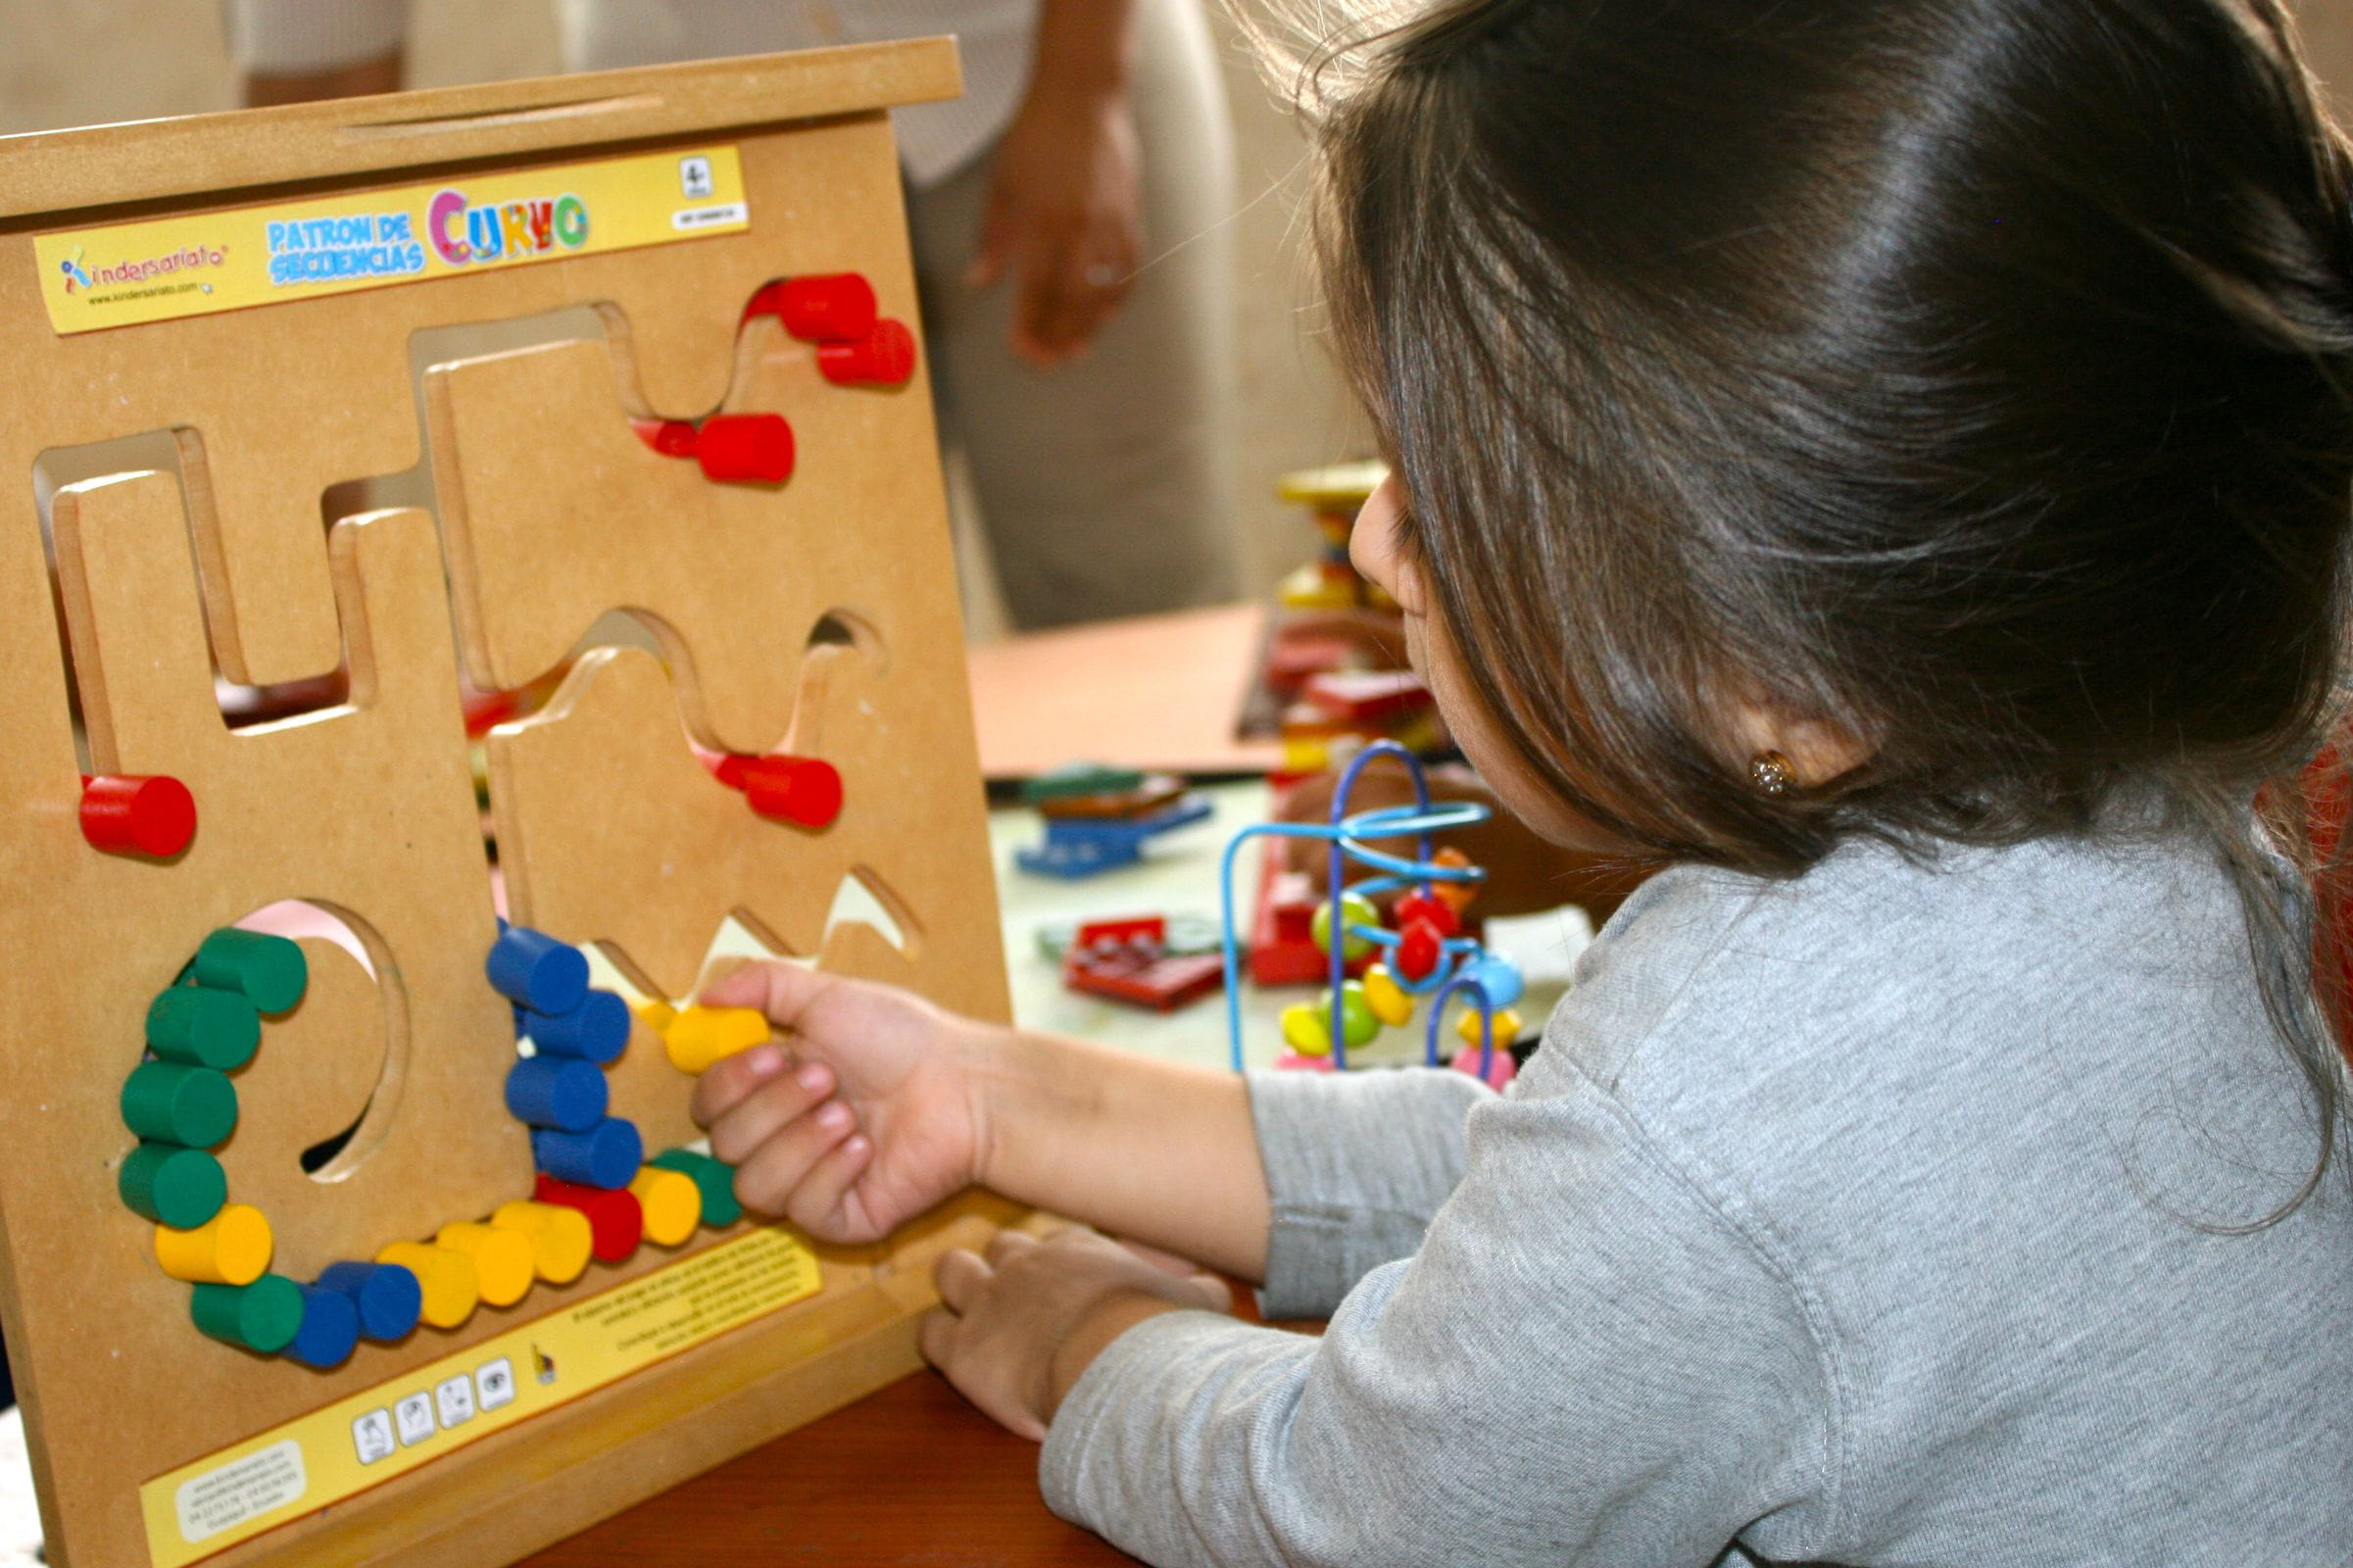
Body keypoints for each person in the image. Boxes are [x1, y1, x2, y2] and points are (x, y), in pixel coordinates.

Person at [693, 0, 2353, 1561]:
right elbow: (1591, 1204)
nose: (1370, 541)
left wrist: (1093, 1342)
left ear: (1783, 664)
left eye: (1441, 483)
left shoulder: (1738, 1062)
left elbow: (1362, 1517)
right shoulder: (2132, 807)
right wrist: (1005, 1099)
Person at [224, 0, 1241, 629]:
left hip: (1046, 59)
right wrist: (305, 501)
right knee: (792, 630)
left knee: (1126, 586)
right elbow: (318, 76)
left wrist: (1082, 87)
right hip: (699, 137)